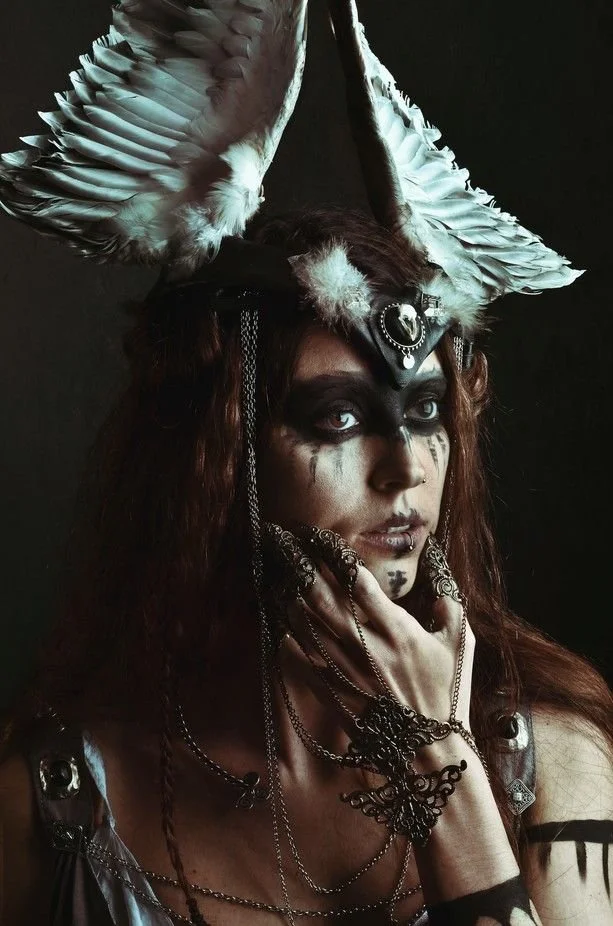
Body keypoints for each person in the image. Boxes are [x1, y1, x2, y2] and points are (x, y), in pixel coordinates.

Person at [0, 2, 612, 925]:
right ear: (216, 452)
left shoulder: (547, 758)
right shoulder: (56, 799)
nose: (404, 470)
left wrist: (440, 763)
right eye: (338, 418)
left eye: (424, 413)